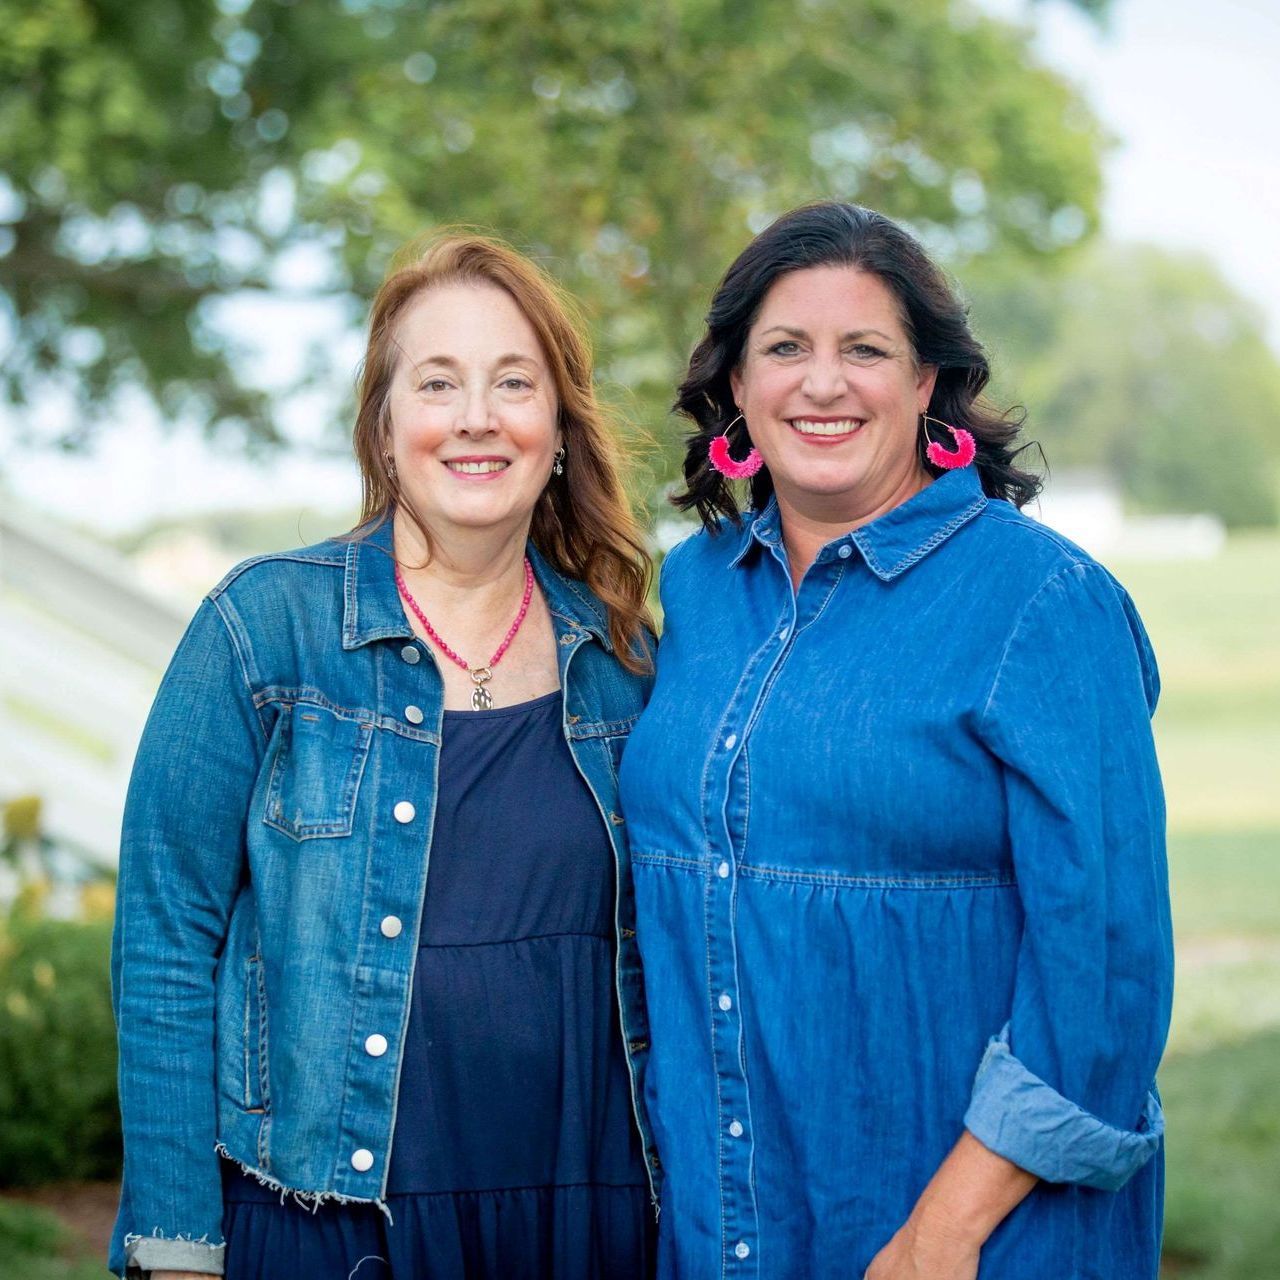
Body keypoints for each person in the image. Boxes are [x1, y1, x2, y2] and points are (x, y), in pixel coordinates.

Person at [618, 202, 1172, 1279]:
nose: (821, 384)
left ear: (925, 385)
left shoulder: (1041, 602)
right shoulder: (690, 588)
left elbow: (1103, 971)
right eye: (784, 348)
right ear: (736, 385)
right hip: (724, 1221)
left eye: (863, 349)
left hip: (969, 1235)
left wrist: (938, 1232)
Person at [109, 234, 662, 1280]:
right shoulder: (264, 627)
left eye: (512, 382)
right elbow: (165, 943)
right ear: (383, 423)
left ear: (556, 431)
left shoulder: (627, 661)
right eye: (438, 382)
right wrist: (176, 1243)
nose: (475, 417)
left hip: (591, 1223)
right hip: (334, 1226)